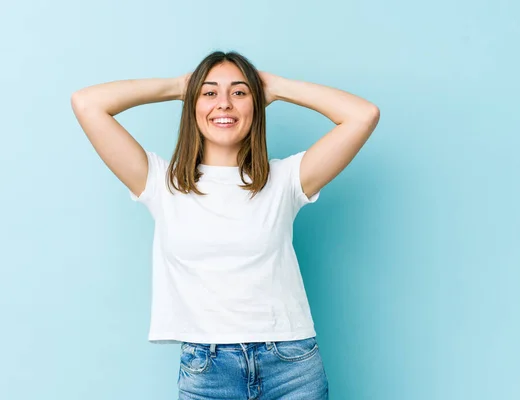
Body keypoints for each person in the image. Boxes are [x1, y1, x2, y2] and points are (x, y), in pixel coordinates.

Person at [71, 50, 380, 399]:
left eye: (239, 92)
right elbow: (87, 103)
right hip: (207, 372)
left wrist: (276, 86)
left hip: (291, 366)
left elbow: (363, 115)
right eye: (209, 92)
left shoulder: (286, 179)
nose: (224, 103)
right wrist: (179, 86)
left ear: (256, 104)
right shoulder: (161, 182)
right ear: (193, 105)